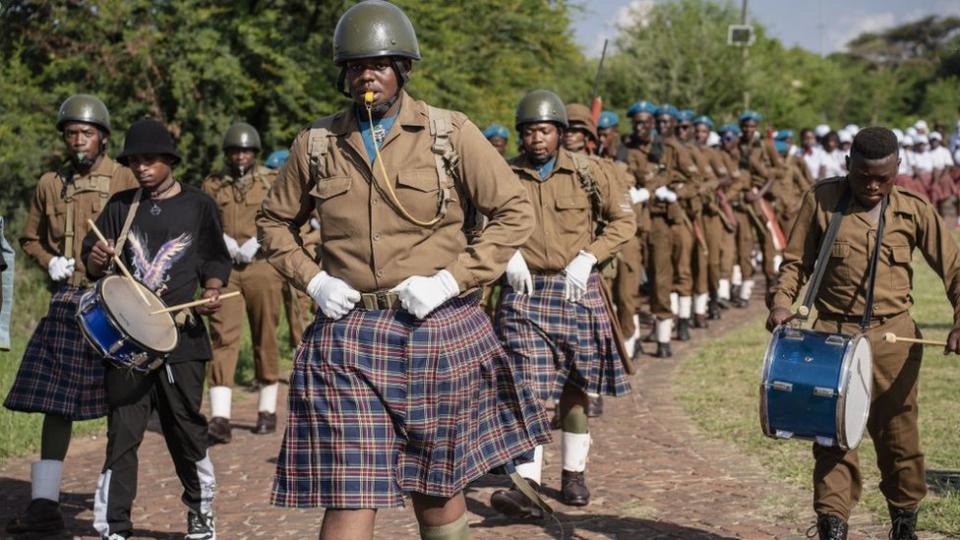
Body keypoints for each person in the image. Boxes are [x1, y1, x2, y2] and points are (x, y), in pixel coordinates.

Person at [256, 2, 551, 538]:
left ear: (403, 70)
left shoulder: (450, 133)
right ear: (344, 74)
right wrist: (314, 280)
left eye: (381, 64)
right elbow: (273, 224)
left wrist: (451, 280)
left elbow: (515, 213)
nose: (367, 75)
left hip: (438, 332)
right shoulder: (317, 144)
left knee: (437, 492)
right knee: (349, 493)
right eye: (356, 66)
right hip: (347, 340)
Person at [767, 127, 960, 540]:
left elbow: (955, 268)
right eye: (863, 176)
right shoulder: (822, 200)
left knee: (898, 437)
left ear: (897, 170)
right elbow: (795, 262)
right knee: (832, 437)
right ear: (848, 165)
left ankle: (904, 521)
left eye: (883, 178)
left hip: (894, 338)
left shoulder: (914, 209)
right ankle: (832, 525)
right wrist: (782, 302)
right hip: (832, 336)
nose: (872, 186)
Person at [83, 119, 231, 540]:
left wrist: (214, 288)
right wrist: (97, 256)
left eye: (149, 160)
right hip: (128, 341)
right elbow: (92, 266)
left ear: (169, 160)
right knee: (123, 433)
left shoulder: (199, 205)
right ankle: (113, 526)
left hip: (181, 338)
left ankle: (200, 513)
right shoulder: (119, 206)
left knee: (185, 428)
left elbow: (216, 259)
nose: (142, 168)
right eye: (135, 162)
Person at [491, 90, 632, 516]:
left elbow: (624, 220)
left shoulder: (591, 172)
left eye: (546, 131)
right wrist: (504, 253)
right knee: (526, 385)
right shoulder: (501, 175)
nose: (538, 139)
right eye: (531, 131)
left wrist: (589, 257)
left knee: (574, 389)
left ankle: (573, 475)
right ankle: (527, 483)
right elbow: (476, 220)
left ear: (560, 134)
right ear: (521, 135)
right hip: (524, 293)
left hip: (576, 290)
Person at [4, 95, 138, 536]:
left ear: (102, 136)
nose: (77, 141)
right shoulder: (49, 183)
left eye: (86, 133)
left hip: (116, 304)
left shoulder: (124, 176)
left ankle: (112, 506)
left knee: (121, 403)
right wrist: (47, 262)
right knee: (55, 404)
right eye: (70, 133)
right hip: (67, 301)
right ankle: (44, 506)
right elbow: (29, 239)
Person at [203, 122, 287, 441]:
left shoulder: (271, 180)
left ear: (255, 153)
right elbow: (205, 218)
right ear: (227, 154)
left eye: (246, 151)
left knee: (265, 334)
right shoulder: (214, 185)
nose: (240, 156)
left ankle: (267, 409)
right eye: (235, 151)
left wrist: (260, 240)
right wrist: (220, 238)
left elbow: (283, 217)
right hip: (226, 269)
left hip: (262, 266)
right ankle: (220, 417)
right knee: (222, 335)